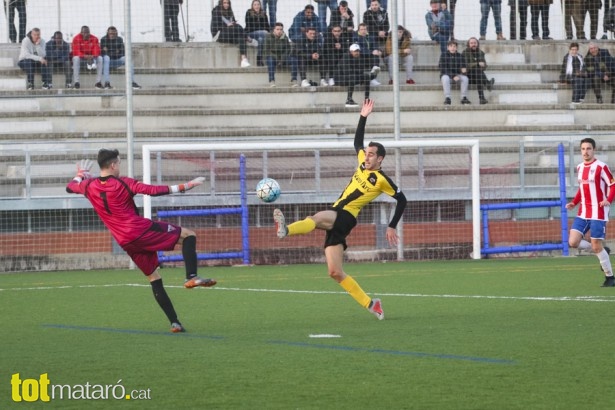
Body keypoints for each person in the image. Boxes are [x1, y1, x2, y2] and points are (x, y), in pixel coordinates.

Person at [273, 99, 406, 319]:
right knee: (335, 272)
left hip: (346, 216)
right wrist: (363, 116)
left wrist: (391, 226)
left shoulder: (383, 180)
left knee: (316, 218)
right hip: (339, 218)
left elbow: (402, 200)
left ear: (380, 159)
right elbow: (357, 142)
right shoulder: (362, 161)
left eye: (371, 154)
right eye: (367, 152)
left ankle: (286, 230)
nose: (366, 154)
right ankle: (372, 304)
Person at [66, 149, 217, 333]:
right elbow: (152, 191)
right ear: (113, 165)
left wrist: (80, 175)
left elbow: (70, 187)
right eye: (119, 163)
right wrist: (186, 186)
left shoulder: (88, 185)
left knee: (154, 278)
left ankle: (175, 323)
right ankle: (191, 276)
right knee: (188, 235)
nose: (119, 166)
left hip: (125, 241)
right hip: (139, 230)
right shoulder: (123, 182)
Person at [566, 138, 615, 287]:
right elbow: (582, 189)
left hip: (598, 211)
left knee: (595, 245)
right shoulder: (580, 167)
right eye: (583, 149)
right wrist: (574, 202)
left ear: (593, 150)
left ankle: (610, 277)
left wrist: (608, 199)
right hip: (583, 211)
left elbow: (613, 185)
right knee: (573, 242)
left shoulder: (601, 167)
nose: (585, 152)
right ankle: (601, 250)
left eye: (588, 149)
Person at [211, 0, 252, 68]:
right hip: (219, 34)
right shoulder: (216, 11)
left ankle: (243, 59)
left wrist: (233, 23)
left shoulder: (230, 12)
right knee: (238, 27)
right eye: (224, 3)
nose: (226, 5)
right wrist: (227, 25)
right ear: (221, 3)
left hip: (229, 33)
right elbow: (215, 26)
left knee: (241, 37)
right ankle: (248, 37)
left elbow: (233, 24)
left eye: (228, 3)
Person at [100, 26, 142, 90]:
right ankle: (107, 83)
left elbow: (123, 52)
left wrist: (109, 51)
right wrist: (116, 52)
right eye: (110, 33)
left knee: (127, 58)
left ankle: (132, 83)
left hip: (117, 61)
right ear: (107, 33)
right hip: (107, 63)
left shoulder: (119, 39)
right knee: (106, 58)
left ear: (116, 33)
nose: (112, 35)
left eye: (114, 34)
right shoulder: (103, 39)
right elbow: (103, 53)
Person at [263, 22, 297, 87]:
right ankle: (272, 80)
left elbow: (287, 50)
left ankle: (294, 79)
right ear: (274, 30)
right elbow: (266, 50)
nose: (279, 31)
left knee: (294, 60)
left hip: (282, 58)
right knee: (270, 60)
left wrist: (282, 59)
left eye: (281, 29)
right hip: (272, 57)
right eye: (277, 29)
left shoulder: (284, 37)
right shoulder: (268, 37)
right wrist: (277, 59)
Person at [462, 37, 494, 105]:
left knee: (478, 72)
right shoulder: (465, 53)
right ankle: (487, 84)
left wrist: (483, 66)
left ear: (477, 44)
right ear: (468, 44)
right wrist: (477, 64)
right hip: (468, 76)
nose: (473, 44)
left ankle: (482, 98)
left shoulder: (481, 52)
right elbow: (465, 65)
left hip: (477, 76)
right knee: (478, 71)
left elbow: (485, 66)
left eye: (475, 43)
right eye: (471, 43)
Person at [71, 26, 103, 90]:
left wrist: (92, 56)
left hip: (92, 58)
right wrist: (85, 56)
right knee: (76, 58)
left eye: (87, 32)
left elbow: (96, 50)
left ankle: (98, 82)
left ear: (89, 32)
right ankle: (76, 82)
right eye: (83, 32)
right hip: (81, 59)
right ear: (81, 32)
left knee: (100, 58)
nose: (85, 34)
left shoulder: (94, 38)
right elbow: (76, 51)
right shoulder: (76, 38)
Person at [439, 39, 470, 105]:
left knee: (465, 78)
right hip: (447, 75)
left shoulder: (460, 56)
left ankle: (463, 97)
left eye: (454, 46)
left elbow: (463, 66)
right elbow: (443, 68)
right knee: (445, 78)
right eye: (451, 46)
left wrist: (464, 70)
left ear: (456, 48)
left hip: (457, 75)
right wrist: (453, 76)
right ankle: (448, 98)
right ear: (448, 47)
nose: (453, 48)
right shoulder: (443, 55)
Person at [245, 0, 270, 66]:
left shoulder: (264, 14)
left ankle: (259, 59)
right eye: (255, 5)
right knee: (264, 33)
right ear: (252, 6)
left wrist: (263, 31)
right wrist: (261, 31)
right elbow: (249, 26)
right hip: (251, 33)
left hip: (261, 35)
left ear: (260, 5)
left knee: (260, 39)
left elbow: (267, 26)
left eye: (258, 4)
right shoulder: (249, 13)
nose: (257, 6)